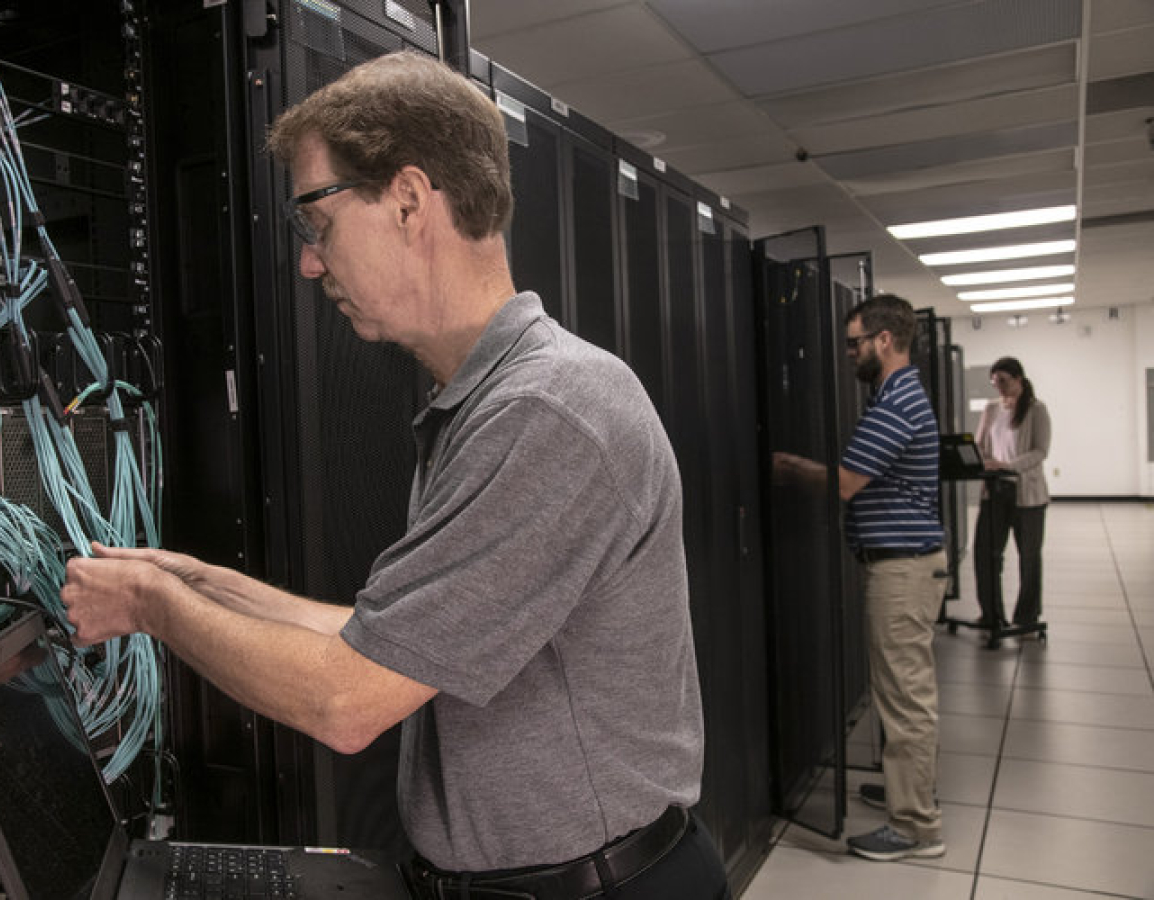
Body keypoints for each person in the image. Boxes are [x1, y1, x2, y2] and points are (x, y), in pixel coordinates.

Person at [61, 51, 730, 900]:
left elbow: (349, 701)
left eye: (317, 221)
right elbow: (392, 641)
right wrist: (206, 585)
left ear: (409, 201)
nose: (310, 262)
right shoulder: (488, 402)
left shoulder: (547, 411)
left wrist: (153, 608)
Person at [773, 294, 948, 862]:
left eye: (855, 342)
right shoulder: (894, 397)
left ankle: (916, 826)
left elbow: (847, 483)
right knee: (901, 691)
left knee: (905, 696)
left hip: (903, 570)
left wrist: (789, 469)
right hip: (902, 567)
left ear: (884, 340)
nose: (849, 353)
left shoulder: (897, 402)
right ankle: (908, 791)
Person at [973, 356, 1051, 633]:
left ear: (1019, 379)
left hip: (1026, 494)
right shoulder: (991, 409)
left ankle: (1026, 617)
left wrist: (1009, 466)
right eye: (995, 383)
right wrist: (984, 463)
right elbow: (980, 445)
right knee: (985, 553)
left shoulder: (1036, 409)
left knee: (1029, 556)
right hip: (995, 490)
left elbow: (1040, 451)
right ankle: (991, 614)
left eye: (1004, 382)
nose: (999, 388)